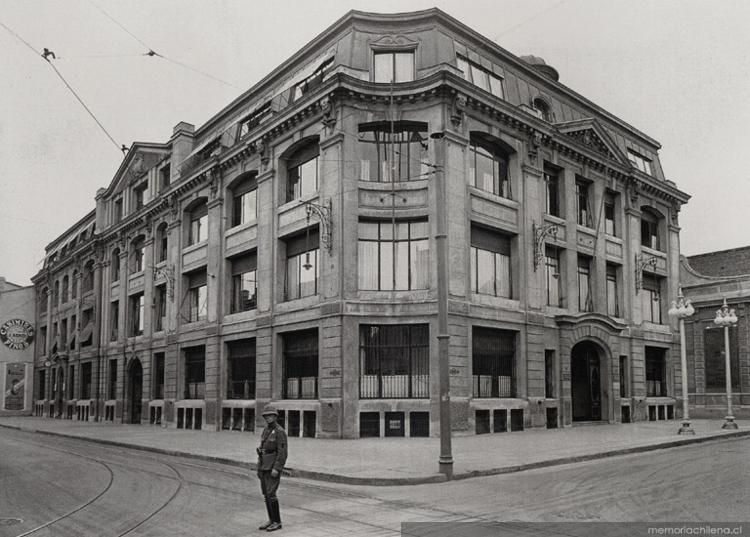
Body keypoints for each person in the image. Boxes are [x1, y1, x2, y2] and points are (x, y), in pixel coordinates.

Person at [256, 404, 287, 532]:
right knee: (266, 495)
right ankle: (271, 519)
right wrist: (259, 467)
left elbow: (283, 452)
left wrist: (277, 468)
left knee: (271, 494)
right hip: (263, 465)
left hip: (272, 467)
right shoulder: (266, 430)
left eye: (270, 415)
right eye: (266, 416)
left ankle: (277, 522)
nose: (268, 418)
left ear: (275, 416)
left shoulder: (280, 432)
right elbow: (262, 448)